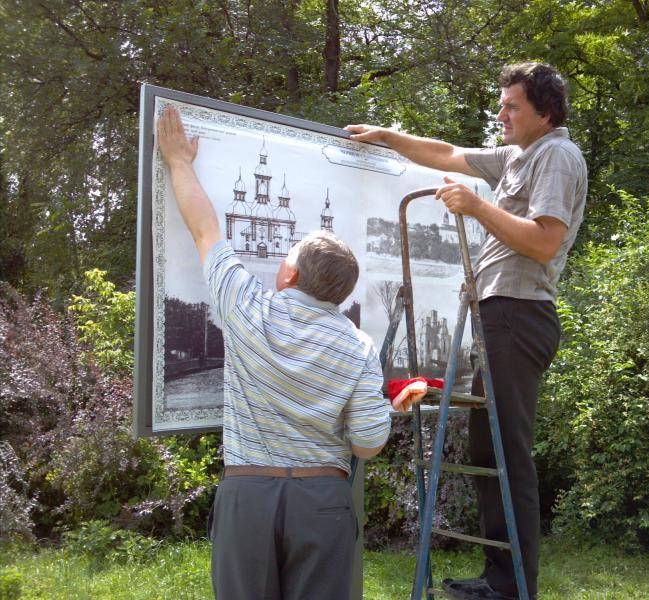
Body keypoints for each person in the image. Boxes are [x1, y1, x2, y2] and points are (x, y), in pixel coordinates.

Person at [347, 62, 587, 600]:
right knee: (488, 449)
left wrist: (476, 206)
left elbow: (545, 241)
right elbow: (448, 154)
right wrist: (387, 136)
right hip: (498, 315)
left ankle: (513, 585)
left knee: (506, 453)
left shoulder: (556, 156)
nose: (501, 115)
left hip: (518, 314)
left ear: (545, 113)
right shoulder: (517, 155)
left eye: (512, 107)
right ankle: (500, 577)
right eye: (501, 105)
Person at [157, 106, 390, 600]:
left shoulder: (247, 307)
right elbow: (368, 444)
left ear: (290, 274)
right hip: (324, 502)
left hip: (250, 498)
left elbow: (205, 231)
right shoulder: (359, 345)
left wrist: (178, 162)